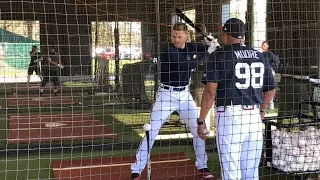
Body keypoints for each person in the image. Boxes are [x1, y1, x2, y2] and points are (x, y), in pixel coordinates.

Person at [130, 23, 219, 180]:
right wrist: (209, 53)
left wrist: (211, 43)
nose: (176, 39)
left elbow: (209, 49)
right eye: (173, 36)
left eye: (179, 36)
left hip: (185, 96)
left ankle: (202, 166)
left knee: (199, 129)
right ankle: (136, 170)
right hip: (166, 96)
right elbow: (188, 65)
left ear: (186, 35)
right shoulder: (169, 51)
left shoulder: (191, 47)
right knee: (151, 131)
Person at [197, 18, 276, 180]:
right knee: (251, 173)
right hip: (253, 118)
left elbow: (210, 93)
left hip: (229, 117)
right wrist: (262, 111)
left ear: (226, 36)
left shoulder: (218, 56)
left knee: (231, 172)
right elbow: (270, 90)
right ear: (243, 36)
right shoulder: (260, 55)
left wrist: (201, 120)